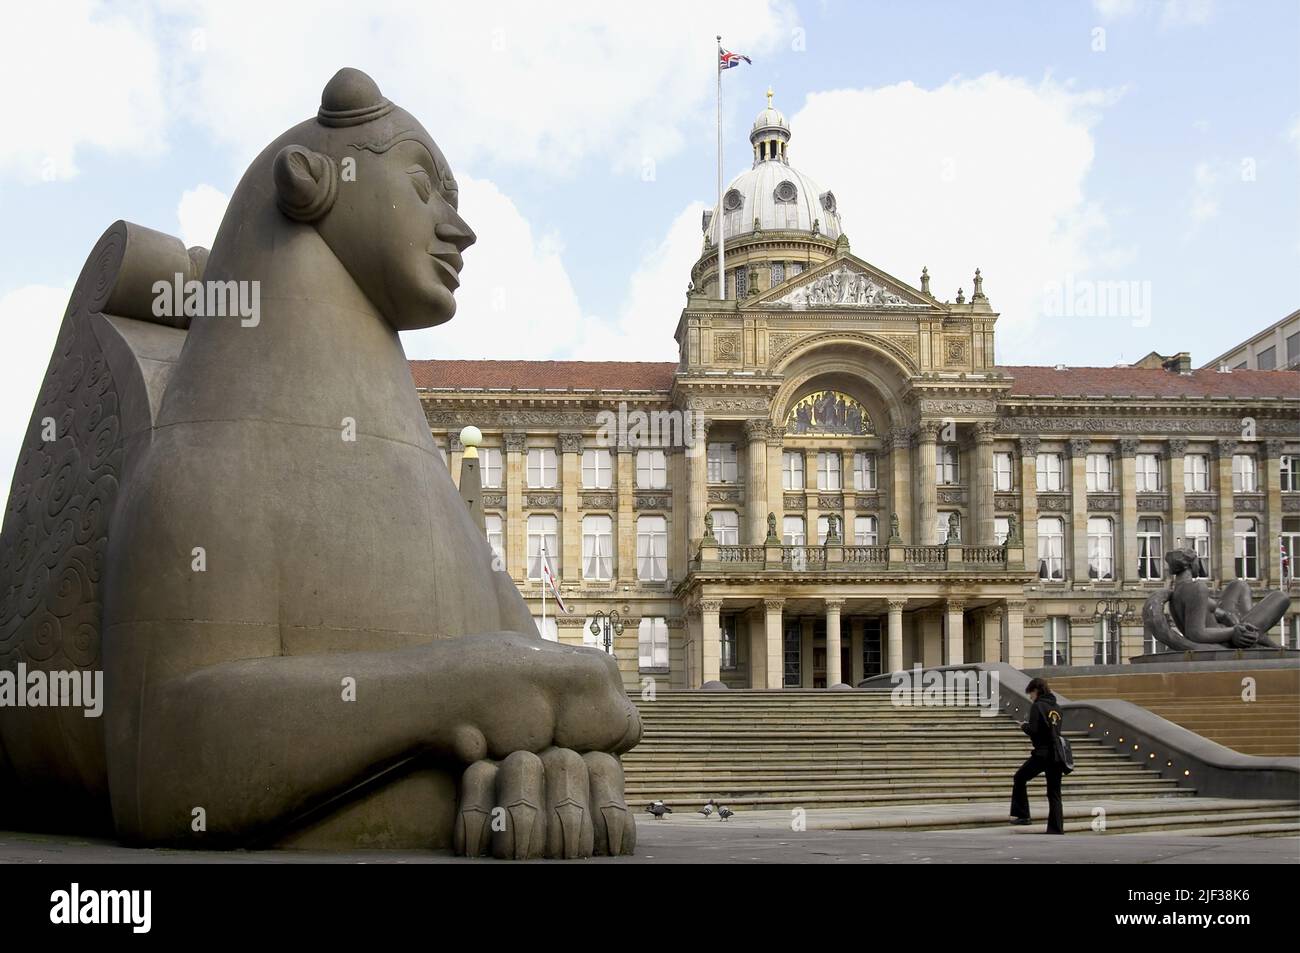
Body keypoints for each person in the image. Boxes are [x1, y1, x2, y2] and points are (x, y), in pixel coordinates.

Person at [1009, 677, 1065, 834]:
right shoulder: (1057, 708)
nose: (1030, 697)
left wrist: (1023, 726)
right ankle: (1056, 828)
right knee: (1054, 793)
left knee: (1019, 777)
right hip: (1056, 754)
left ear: (1036, 691)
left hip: (1042, 754)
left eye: (1031, 694)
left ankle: (1023, 814)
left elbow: (1033, 729)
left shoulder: (1038, 706)